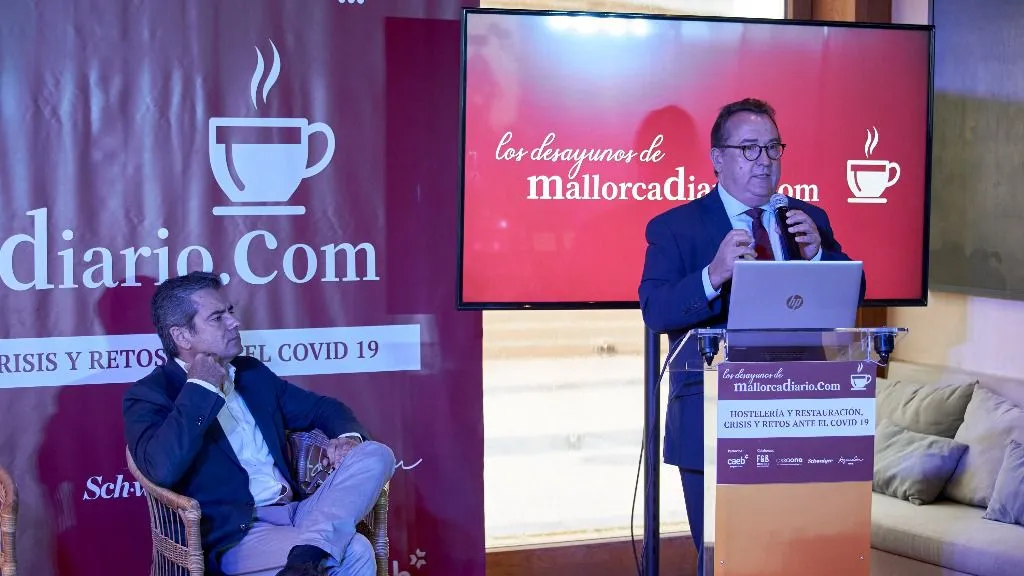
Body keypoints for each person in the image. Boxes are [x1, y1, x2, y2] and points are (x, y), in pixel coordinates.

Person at [637, 98, 863, 574]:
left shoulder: (808, 219)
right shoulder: (676, 228)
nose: (764, 160)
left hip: (799, 416)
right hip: (713, 416)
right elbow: (656, 310)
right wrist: (713, 274)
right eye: (749, 149)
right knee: (727, 559)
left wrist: (819, 256)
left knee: (798, 560)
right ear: (717, 158)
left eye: (772, 147)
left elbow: (853, 291)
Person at [122, 271, 394, 576]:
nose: (234, 322)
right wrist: (200, 388)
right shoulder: (150, 395)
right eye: (217, 318)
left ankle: (309, 552)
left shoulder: (251, 374)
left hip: (298, 513)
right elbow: (162, 469)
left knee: (376, 453)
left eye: (230, 311)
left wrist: (348, 439)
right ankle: (310, 554)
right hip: (237, 534)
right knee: (355, 551)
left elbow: (322, 408)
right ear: (183, 336)